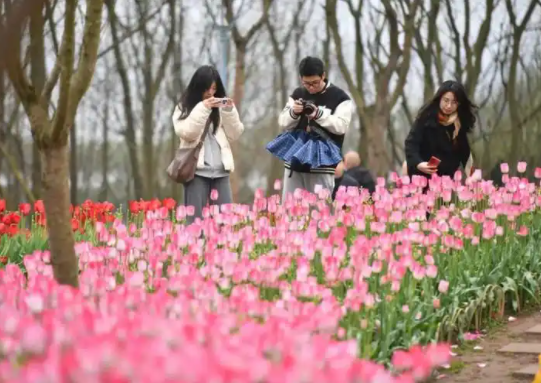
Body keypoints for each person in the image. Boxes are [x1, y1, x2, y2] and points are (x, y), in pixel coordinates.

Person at [267, 56, 353, 199]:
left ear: (323, 76)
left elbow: (341, 127)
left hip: (322, 164)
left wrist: (318, 114)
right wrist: (294, 112)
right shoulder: (298, 94)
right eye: (306, 83)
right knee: (291, 209)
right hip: (294, 163)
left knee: (320, 211)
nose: (311, 87)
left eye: (315, 82)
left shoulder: (340, 98)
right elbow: (283, 122)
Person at [172, 65, 244, 223]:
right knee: (195, 223)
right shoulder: (183, 108)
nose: (210, 93)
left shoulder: (219, 109)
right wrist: (203, 108)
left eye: (214, 89)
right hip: (196, 172)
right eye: (207, 89)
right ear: (198, 88)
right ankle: (195, 248)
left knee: (224, 223)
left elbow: (235, 133)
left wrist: (229, 111)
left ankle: (222, 249)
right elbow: (188, 132)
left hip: (221, 172)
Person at [404, 80, 476, 182]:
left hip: (446, 180)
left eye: (454, 102)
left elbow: (465, 153)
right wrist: (419, 164)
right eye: (446, 100)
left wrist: (473, 179)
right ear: (439, 98)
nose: (449, 106)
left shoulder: (459, 124)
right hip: (422, 176)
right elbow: (411, 144)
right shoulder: (426, 117)